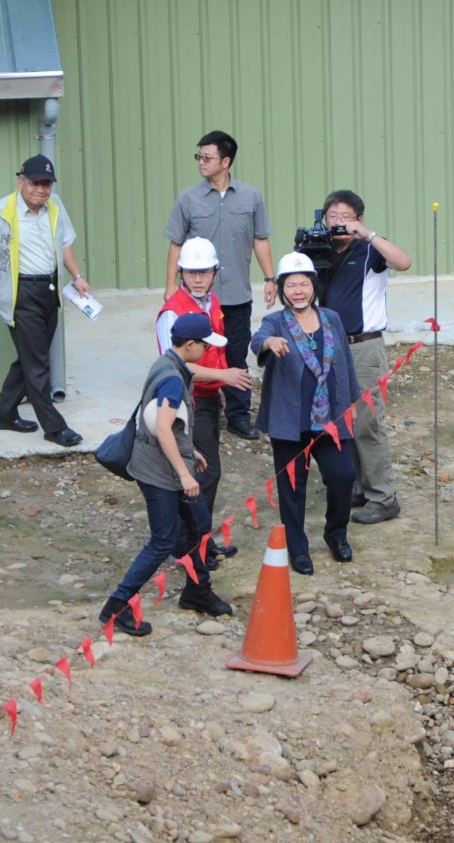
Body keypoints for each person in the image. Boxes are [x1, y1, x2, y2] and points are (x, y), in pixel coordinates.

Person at [100, 314, 235, 637]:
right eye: (204, 345)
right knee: (163, 541)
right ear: (190, 345)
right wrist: (184, 475)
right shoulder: (173, 379)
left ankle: (197, 591)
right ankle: (116, 606)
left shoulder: (166, 362)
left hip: (164, 463)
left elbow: (169, 426)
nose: (206, 350)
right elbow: (162, 427)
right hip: (159, 473)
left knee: (200, 526)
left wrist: (191, 452)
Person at [0, 154, 89, 447]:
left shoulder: (55, 207)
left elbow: (65, 243)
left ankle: (2, 413)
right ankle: (54, 427)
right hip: (20, 295)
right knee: (37, 364)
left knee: (32, 358)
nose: (42, 190)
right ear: (21, 182)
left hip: (49, 291)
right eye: (35, 183)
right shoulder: (1, 211)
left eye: (47, 184)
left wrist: (78, 276)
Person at [250, 252, 361, 576]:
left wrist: (350, 398)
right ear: (282, 289)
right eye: (291, 285)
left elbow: (347, 361)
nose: (298, 291)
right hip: (290, 420)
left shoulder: (331, 318)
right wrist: (270, 342)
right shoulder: (276, 321)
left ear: (313, 286)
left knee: (343, 475)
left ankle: (335, 534)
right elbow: (259, 339)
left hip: (330, 417)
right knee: (292, 487)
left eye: (303, 284)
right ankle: (298, 549)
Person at [163, 131, 277, 441]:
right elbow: (175, 244)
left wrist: (270, 278)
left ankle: (238, 416)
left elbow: (260, 238)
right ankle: (192, 410)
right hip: (198, 298)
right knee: (195, 354)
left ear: (226, 161)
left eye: (207, 157)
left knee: (236, 354)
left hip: (236, 294)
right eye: (198, 156)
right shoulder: (188, 198)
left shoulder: (251, 197)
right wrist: (170, 286)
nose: (201, 162)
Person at [154, 237, 256, 567]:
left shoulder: (212, 304)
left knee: (206, 474)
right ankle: (190, 546)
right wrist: (225, 377)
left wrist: (222, 387)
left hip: (208, 399)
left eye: (204, 272)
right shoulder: (173, 312)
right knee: (201, 474)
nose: (197, 278)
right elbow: (174, 366)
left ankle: (198, 540)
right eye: (191, 272)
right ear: (181, 272)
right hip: (185, 404)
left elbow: (215, 352)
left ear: (215, 273)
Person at [315, 190, 411, 525]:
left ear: (359, 219)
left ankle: (383, 498)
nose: (338, 222)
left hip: (364, 347)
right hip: (329, 347)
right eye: (332, 216)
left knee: (368, 423)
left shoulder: (370, 250)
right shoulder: (319, 250)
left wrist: (368, 235)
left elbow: (404, 261)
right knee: (342, 421)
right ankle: (356, 486)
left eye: (346, 216)